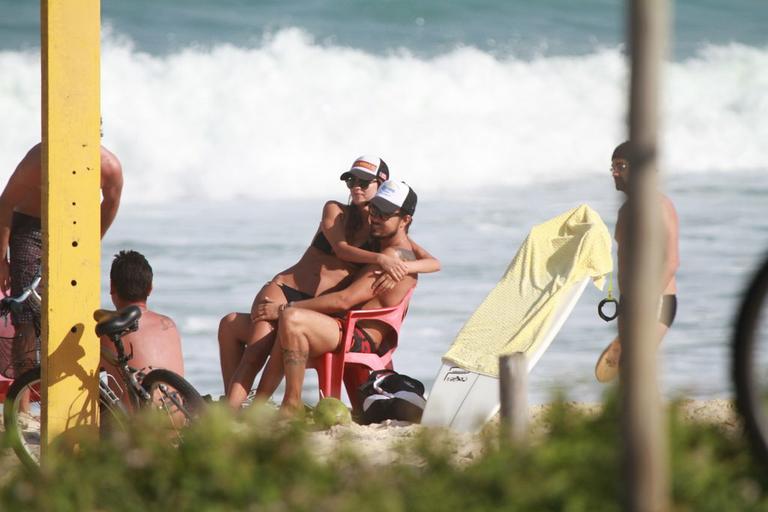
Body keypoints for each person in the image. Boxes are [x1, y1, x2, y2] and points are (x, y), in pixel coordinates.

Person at [218, 156, 440, 398]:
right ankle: (235, 411)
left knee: (263, 337)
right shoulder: (337, 211)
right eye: (350, 180)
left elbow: (432, 261)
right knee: (255, 352)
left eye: (364, 182)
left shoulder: (382, 227)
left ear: (380, 186)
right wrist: (381, 260)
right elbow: (342, 249)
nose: (356, 186)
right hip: (287, 289)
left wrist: (404, 268)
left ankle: (249, 409)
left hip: (314, 307)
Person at [248, 180, 420, 415]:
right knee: (278, 322)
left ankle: (290, 404)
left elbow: (344, 300)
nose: (376, 217)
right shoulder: (387, 252)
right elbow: (430, 261)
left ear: (405, 220)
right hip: (346, 326)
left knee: (292, 318)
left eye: (386, 213)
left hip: (360, 336)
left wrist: (286, 307)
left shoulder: (394, 256)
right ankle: (256, 405)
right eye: (375, 209)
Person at [0, 141, 123, 375]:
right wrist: (1, 260)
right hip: (29, 227)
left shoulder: (109, 166)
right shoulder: (40, 158)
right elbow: (6, 202)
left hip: (73, 230)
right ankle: (23, 405)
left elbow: (111, 202)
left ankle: (66, 398)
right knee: (25, 315)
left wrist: (92, 241)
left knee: (72, 313)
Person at [594, 141, 680, 382]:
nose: (614, 173)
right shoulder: (625, 211)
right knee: (626, 369)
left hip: (656, 301)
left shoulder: (659, 206)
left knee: (635, 365)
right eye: (612, 167)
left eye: (620, 166)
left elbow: (672, 261)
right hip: (628, 302)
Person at [100, 250, 184, 403]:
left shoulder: (108, 330)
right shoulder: (169, 324)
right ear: (150, 288)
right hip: (177, 421)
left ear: (112, 286)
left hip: (136, 425)